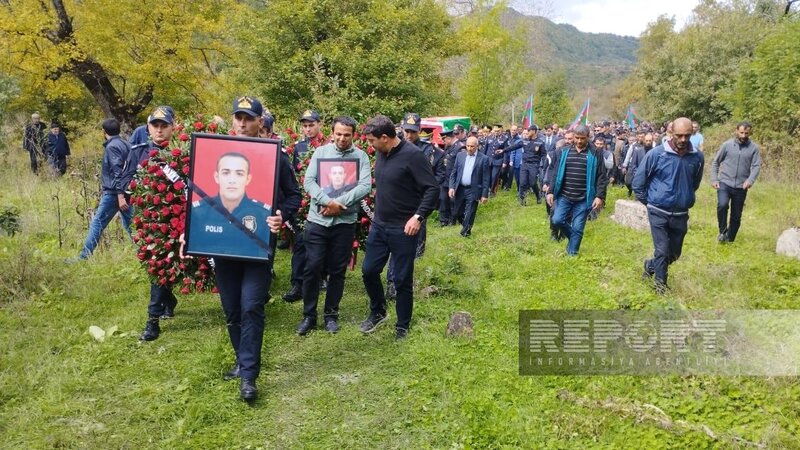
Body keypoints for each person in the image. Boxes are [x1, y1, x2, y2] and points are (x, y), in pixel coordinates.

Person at [191, 96, 300, 401]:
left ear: (259, 122)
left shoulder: (276, 156)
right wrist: (193, 230)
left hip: (256, 246)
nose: (242, 123)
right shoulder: (216, 152)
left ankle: (249, 377)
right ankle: (242, 361)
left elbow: (294, 195)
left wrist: (280, 216)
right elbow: (200, 198)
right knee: (232, 308)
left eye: (248, 118)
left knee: (252, 306)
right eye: (238, 118)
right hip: (223, 248)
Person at [359, 115, 438, 339]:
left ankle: (402, 324)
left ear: (385, 137)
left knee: (402, 278)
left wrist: (418, 217)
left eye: (372, 140)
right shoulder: (381, 152)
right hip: (380, 225)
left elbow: (432, 189)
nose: (370, 145)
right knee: (368, 271)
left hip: (404, 229)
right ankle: (379, 311)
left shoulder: (413, 156)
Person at [296, 116, 371, 335]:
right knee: (312, 268)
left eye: (347, 135)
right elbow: (309, 182)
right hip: (318, 221)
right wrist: (328, 201)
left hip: (344, 223)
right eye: (338, 134)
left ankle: (331, 315)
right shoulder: (321, 153)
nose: (342, 138)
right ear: (332, 133)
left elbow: (365, 185)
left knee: (337, 270)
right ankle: (309, 315)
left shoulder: (361, 157)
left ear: (353, 135)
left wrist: (340, 204)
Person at [633, 117, 704, 295]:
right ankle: (660, 287)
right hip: (658, 210)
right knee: (662, 250)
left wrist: (685, 196)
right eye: (679, 135)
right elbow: (638, 182)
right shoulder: (657, 154)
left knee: (674, 254)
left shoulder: (697, 157)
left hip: (681, 212)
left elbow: (694, 183)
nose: (683, 140)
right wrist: (650, 203)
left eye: (687, 136)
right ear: (671, 133)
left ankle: (650, 265)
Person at [137, 107, 183, 341]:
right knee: (158, 266)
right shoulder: (140, 153)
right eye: (155, 125)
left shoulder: (182, 152)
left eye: (164, 125)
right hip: (155, 222)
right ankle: (152, 321)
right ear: (148, 128)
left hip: (182, 218)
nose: (159, 130)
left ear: (173, 127)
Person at [71, 118, 133, 261]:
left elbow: (118, 172)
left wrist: (120, 195)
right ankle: (146, 255)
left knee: (98, 222)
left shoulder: (112, 147)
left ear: (104, 132)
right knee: (131, 226)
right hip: (127, 191)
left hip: (114, 194)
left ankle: (83, 257)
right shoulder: (126, 144)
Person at [283, 109, 328, 302]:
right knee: (300, 243)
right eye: (305, 125)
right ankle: (297, 283)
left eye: (312, 125)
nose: (308, 129)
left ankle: (320, 277)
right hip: (302, 201)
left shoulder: (328, 146)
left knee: (320, 243)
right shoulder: (298, 147)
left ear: (320, 125)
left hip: (322, 200)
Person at [545, 125, 607, 256]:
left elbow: (602, 176)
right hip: (564, 196)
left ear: (588, 137)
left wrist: (599, 196)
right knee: (557, 220)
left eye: (582, 138)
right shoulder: (563, 151)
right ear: (573, 136)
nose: (579, 141)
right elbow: (555, 173)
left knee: (578, 227)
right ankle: (574, 239)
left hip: (584, 198)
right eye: (577, 138)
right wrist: (550, 191)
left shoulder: (595, 153)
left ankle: (572, 254)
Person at [710, 121, 761, 243]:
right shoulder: (727, 145)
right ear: (736, 131)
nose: (743, 136)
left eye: (746, 133)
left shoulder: (753, 148)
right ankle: (722, 232)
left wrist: (750, 180)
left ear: (750, 133)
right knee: (722, 205)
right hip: (725, 183)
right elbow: (716, 162)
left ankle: (730, 239)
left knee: (736, 216)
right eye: (741, 132)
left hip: (741, 186)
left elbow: (756, 166)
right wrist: (714, 178)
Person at [448, 136, 489, 237]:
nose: (470, 148)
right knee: (457, 212)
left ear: (477, 146)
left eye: (472, 146)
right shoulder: (460, 156)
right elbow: (454, 172)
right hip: (460, 188)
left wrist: (484, 195)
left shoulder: (483, 159)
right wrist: (451, 187)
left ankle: (465, 233)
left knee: (470, 212)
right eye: (468, 146)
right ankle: (466, 226)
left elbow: (486, 178)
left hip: (473, 189)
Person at [503, 126, 545, 206]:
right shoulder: (524, 141)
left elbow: (543, 155)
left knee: (533, 183)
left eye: (529, 131)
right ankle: (522, 200)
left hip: (534, 165)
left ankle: (538, 194)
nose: (527, 133)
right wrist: (503, 150)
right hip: (524, 164)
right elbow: (514, 147)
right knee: (522, 183)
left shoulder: (540, 142)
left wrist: (544, 165)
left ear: (534, 131)